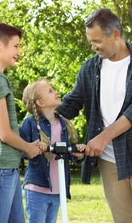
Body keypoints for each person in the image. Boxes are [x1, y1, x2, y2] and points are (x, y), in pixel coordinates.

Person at [56, 8, 132, 223]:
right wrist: (41, 110)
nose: (93, 47)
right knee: (123, 220)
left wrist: (102, 138)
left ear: (115, 34)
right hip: (110, 161)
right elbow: (72, 103)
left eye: (97, 41)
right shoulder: (89, 68)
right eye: (91, 41)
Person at [0, 22, 43, 223]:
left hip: (6, 167)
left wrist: (30, 145)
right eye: (15, 46)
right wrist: (28, 149)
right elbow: (4, 133)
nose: (18, 52)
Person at [20, 78, 85, 223]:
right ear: (40, 103)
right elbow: (22, 151)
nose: (56, 92)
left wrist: (78, 154)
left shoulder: (63, 123)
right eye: (50, 91)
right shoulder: (30, 123)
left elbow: (68, 152)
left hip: (57, 190)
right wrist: (34, 148)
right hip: (37, 188)